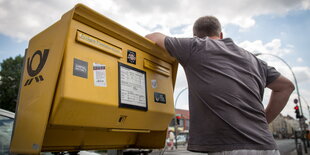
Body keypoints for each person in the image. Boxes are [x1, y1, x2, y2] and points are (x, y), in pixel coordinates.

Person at [145, 16, 295, 155]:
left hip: (229, 147)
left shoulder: (195, 46)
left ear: (195, 36)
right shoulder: (254, 60)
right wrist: (264, 121)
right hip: (268, 146)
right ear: (221, 35)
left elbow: (152, 38)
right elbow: (286, 87)